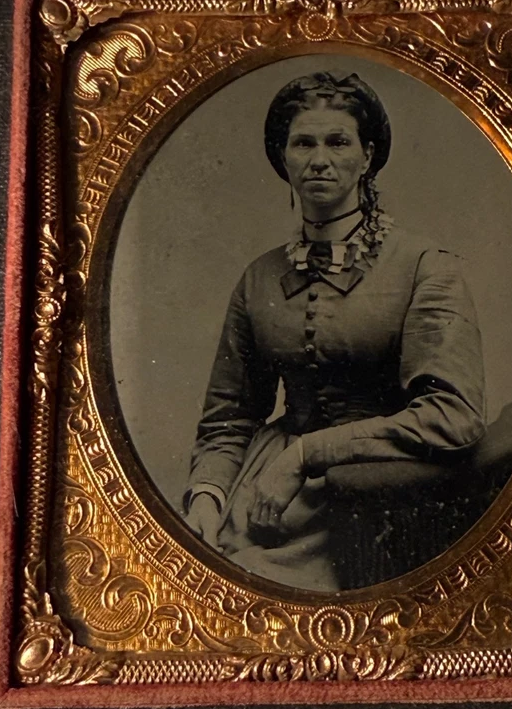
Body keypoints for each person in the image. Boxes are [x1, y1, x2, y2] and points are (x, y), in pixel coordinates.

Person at [183, 71, 486, 592]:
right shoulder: (259, 277)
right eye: (303, 143)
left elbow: (452, 417)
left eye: (338, 141)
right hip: (261, 494)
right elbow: (230, 418)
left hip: (375, 492)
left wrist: (307, 453)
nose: (319, 158)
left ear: (367, 156)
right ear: (283, 158)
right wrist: (207, 498)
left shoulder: (425, 266)